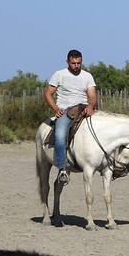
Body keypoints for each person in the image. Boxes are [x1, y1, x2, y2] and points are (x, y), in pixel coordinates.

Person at [43, 49, 98, 183]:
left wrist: (90, 106)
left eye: (79, 63)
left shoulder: (87, 76)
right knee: (60, 136)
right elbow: (48, 94)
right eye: (73, 63)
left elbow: (92, 95)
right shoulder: (59, 75)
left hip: (83, 108)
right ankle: (62, 169)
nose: (76, 66)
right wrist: (56, 109)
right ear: (67, 61)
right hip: (66, 111)